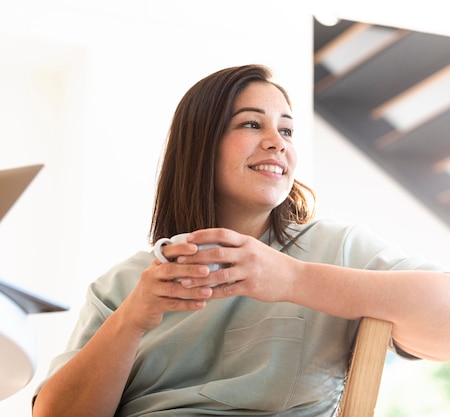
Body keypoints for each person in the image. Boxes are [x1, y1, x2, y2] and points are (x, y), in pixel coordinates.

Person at [31, 64, 450, 417]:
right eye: (252, 124)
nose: (277, 143)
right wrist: (130, 320)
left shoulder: (333, 250)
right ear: (200, 146)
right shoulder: (123, 286)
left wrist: (294, 280)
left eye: (287, 131)